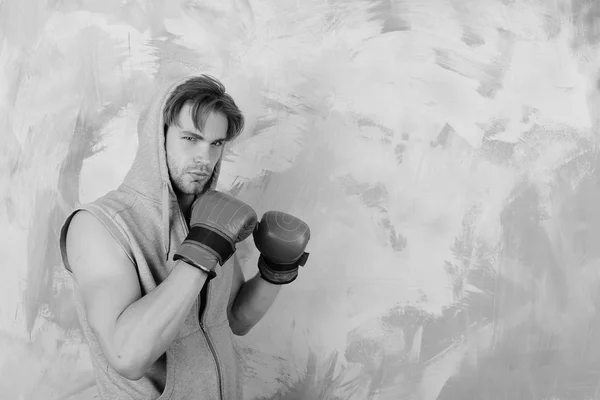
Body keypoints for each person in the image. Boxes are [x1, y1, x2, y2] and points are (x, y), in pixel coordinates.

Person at [59, 75, 311, 400]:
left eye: (216, 143)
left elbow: (233, 318)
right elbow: (127, 357)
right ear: (157, 137)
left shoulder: (211, 214)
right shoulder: (99, 225)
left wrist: (277, 269)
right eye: (190, 138)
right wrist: (204, 248)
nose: (204, 159)